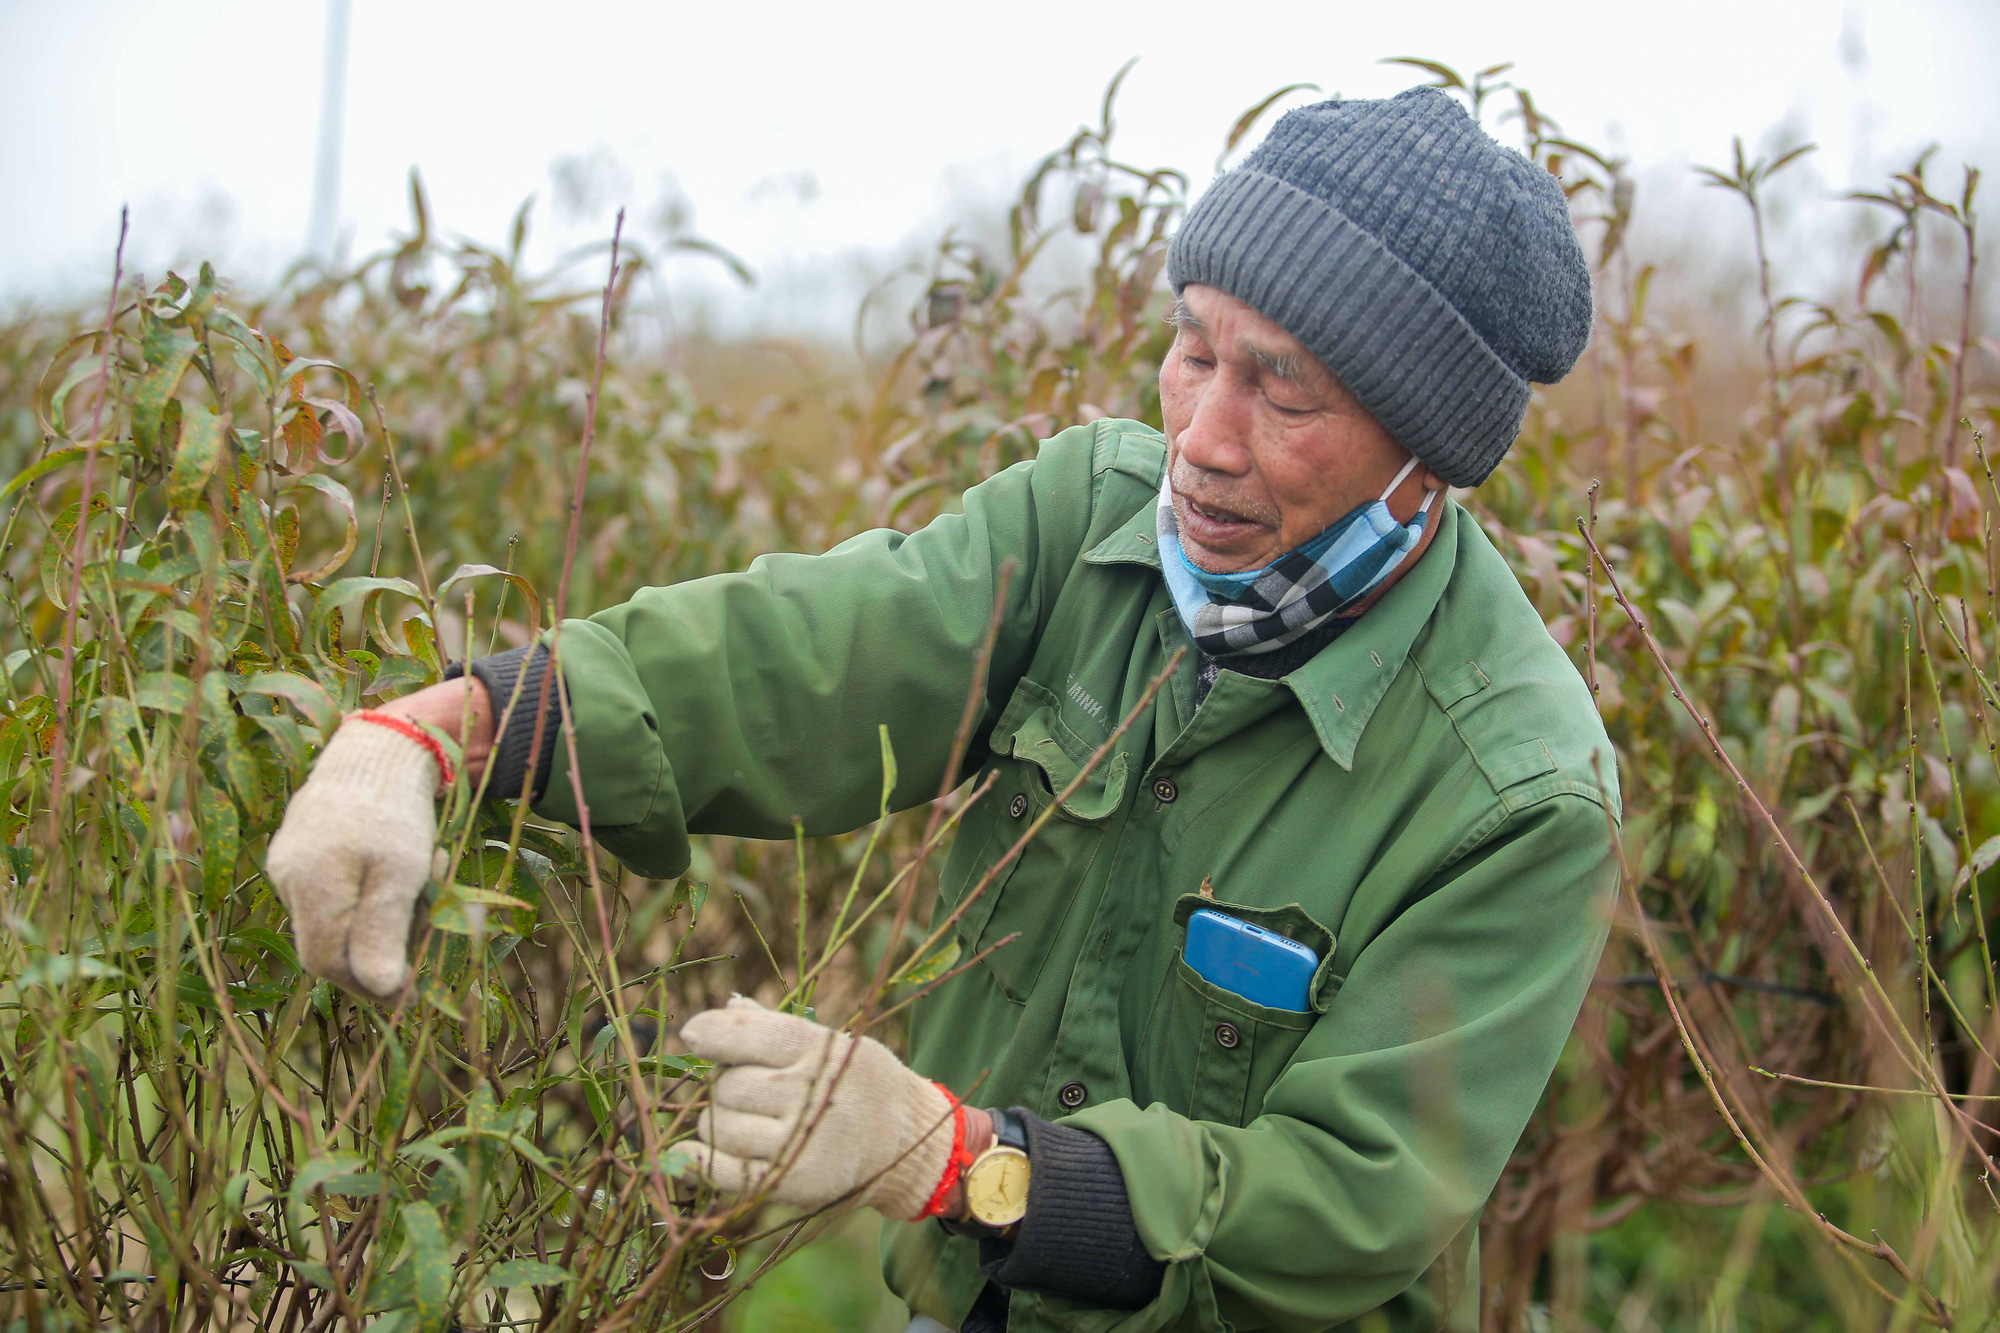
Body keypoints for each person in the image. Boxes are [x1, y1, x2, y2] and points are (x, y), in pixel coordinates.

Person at [267, 86, 1619, 1332]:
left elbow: (1344, 1198)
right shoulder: (1092, 519)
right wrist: (438, 727)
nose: (1206, 433)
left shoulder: (1515, 790)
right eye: (1193, 351)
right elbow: (800, 660)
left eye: (1287, 390)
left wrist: (954, 1159)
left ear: (1425, 456)